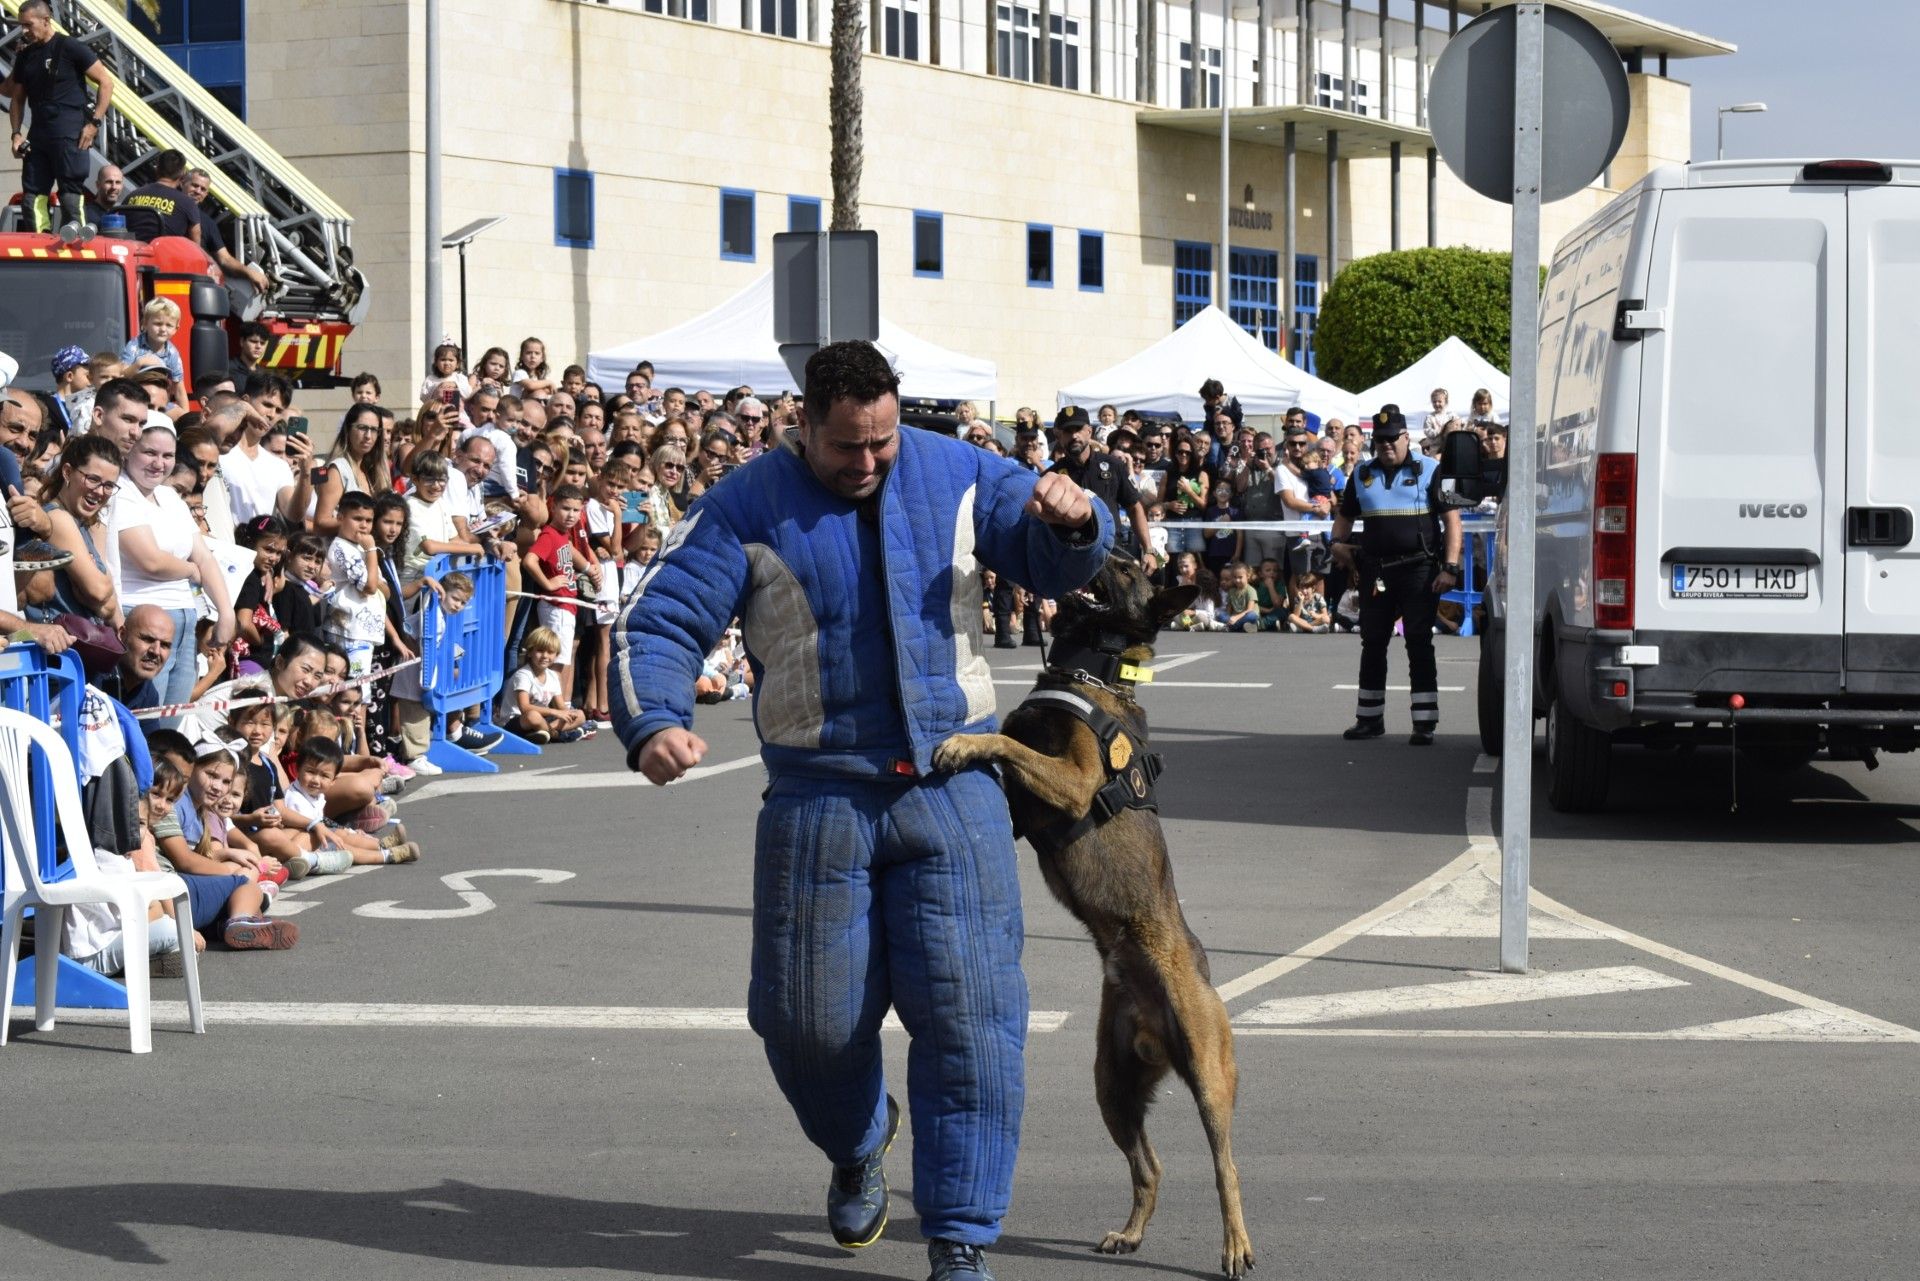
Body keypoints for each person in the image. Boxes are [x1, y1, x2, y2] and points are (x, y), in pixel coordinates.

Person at [612, 340, 1111, 1281]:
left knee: (975, 1021)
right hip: (818, 794)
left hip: (954, 785)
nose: (870, 461)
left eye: (883, 440)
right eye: (848, 446)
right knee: (804, 1021)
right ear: (803, 425)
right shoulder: (744, 505)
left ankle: (961, 1237)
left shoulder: (960, 471)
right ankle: (857, 1137)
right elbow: (658, 618)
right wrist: (653, 723)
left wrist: (1078, 519)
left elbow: (1052, 558)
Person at [1331, 405, 1464, 746]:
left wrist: (1450, 568)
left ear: (1407, 437)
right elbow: (1344, 520)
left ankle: (1424, 723)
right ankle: (1369, 719)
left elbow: (1452, 521)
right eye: (1381, 440)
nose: (1387, 445)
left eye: (1393, 439)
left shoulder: (1431, 470)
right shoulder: (1361, 474)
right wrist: (1336, 544)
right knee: (1372, 642)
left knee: (1418, 641)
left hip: (1419, 569)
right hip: (1375, 570)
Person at [111, 424, 233, 724]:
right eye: (149, 452)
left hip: (185, 623)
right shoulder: (120, 492)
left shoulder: (170, 498)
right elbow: (150, 561)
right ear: (130, 451)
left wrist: (226, 613)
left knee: (171, 727)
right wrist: (192, 570)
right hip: (144, 619)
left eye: (167, 455)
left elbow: (204, 555)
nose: (158, 462)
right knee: (147, 724)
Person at [3, 0, 115, 232]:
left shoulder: (70, 47)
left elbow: (106, 82)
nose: (24, 31)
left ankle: (78, 245)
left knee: (70, 193)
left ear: (46, 21)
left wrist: (94, 123)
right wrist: (15, 134)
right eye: (21, 26)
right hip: (39, 134)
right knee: (32, 196)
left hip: (70, 131)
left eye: (28, 25)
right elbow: (14, 96)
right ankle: (39, 244)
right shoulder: (26, 55)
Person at [1048, 406, 1150, 554]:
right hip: (1071, 554)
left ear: (1089, 431)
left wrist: (1149, 549)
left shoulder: (1114, 465)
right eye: (1068, 431)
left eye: (1078, 429)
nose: (1074, 435)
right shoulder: (1053, 475)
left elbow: (1134, 508)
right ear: (1059, 436)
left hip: (1110, 551)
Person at [117, 148, 202, 244]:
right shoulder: (188, 204)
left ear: (157, 168)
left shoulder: (132, 196)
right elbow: (195, 245)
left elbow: (115, 229)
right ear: (183, 174)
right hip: (164, 257)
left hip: (130, 254)